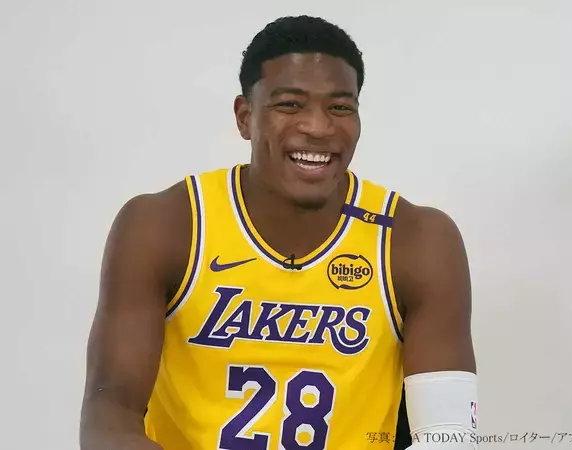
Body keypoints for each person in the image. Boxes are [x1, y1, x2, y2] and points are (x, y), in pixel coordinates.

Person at [80, 15, 477, 450]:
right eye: (290, 105)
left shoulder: (416, 240)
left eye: (340, 107)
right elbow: (108, 416)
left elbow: (449, 435)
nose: (318, 126)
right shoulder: (166, 225)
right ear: (244, 116)